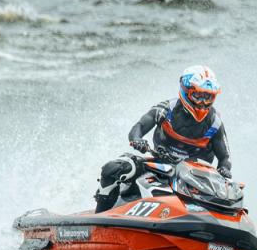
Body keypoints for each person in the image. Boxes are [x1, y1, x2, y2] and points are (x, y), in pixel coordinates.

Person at [94, 65, 232, 213]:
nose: (203, 103)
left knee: (230, 193)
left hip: (194, 178)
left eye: (208, 97)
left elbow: (225, 158)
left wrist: (224, 169)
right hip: (159, 166)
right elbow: (139, 127)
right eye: (199, 96)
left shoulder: (215, 123)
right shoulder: (165, 110)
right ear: (186, 91)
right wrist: (137, 139)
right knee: (113, 169)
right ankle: (99, 217)